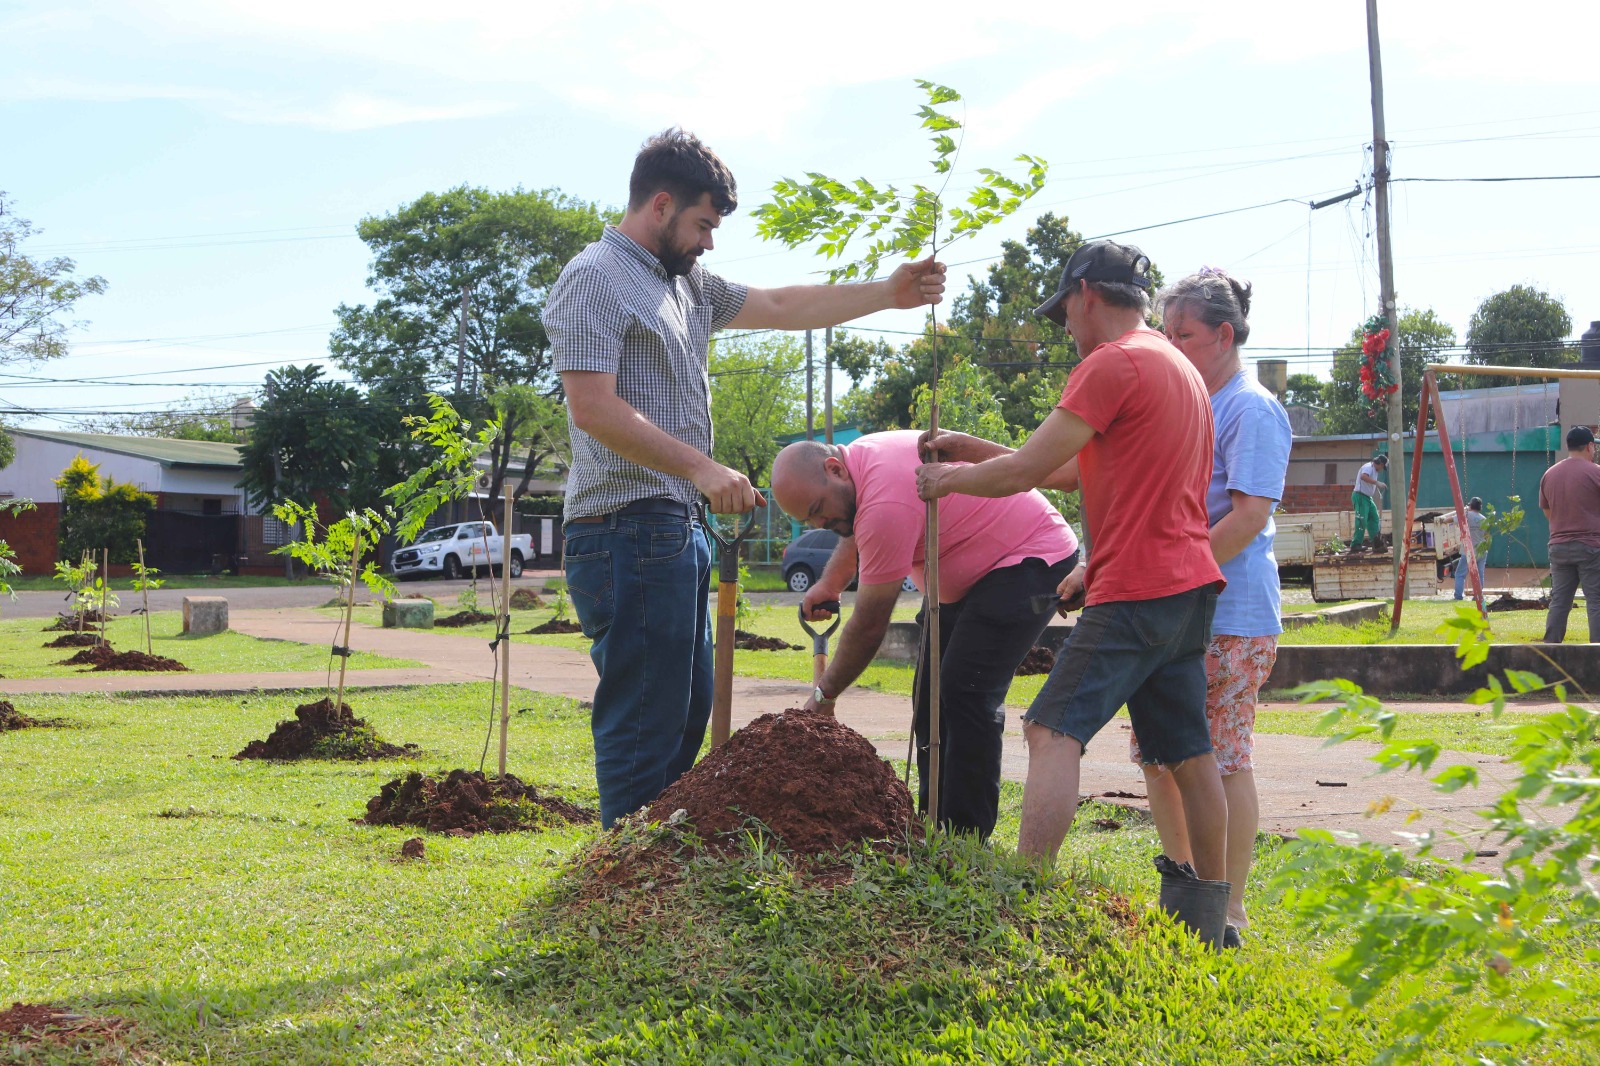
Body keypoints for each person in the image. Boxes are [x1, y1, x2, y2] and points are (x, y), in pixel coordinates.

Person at [544, 128, 947, 826]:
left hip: (672, 527)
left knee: (684, 713)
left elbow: (784, 308)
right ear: (661, 205)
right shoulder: (595, 277)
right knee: (645, 720)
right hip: (624, 528)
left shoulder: (686, 284)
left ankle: (655, 881)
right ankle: (621, 894)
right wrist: (702, 468)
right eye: (702, 224)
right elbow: (593, 408)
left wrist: (887, 294)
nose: (708, 242)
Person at [914, 239, 1229, 887]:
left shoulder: (1111, 365)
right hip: (1189, 590)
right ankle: (1219, 913)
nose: (1065, 326)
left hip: (1134, 588)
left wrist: (943, 485)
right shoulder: (1177, 368)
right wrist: (972, 452)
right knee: (1192, 757)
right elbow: (1064, 470)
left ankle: (1027, 894)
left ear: (1087, 295)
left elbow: (1028, 469)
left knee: (1050, 730)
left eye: (1064, 312)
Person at [769, 432, 1080, 840]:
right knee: (931, 697)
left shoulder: (885, 501)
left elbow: (870, 622)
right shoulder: (858, 468)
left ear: (834, 469)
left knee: (965, 689)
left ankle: (964, 840)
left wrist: (824, 695)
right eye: (810, 522)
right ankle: (935, 824)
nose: (821, 524)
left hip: (1029, 556)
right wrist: (832, 583)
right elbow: (851, 523)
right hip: (969, 573)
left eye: (818, 510)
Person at [1122, 268, 1290, 947]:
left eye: (1183, 334)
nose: (1171, 345)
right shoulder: (1188, 403)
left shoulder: (1251, 409)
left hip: (1230, 611)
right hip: (1175, 607)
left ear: (1224, 335)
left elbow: (1249, 514)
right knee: (1159, 755)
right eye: (1164, 333)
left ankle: (1227, 907)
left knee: (1220, 758)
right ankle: (1186, 893)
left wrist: (1176, 573)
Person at [1539, 426, 1600, 644]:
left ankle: (1551, 650)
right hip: (1591, 546)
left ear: (1568, 446)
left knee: (1560, 601)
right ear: (1590, 446)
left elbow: (1547, 510)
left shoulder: (1550, 474)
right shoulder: (1595, 472)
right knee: (1596, 601)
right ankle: (1597, 654)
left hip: (1558, 546)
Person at [1349, 453, 1388, 553]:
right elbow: (1363, 477)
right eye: (1382, 467)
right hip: (1360, 496)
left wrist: (1375, 486)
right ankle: (1356, 544)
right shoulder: (1368, 467)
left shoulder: (1374, 469)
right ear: (1381, 464)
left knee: (1374, 517)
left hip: (1367, 498)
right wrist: (1376, 483)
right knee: (1362, 520)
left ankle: (1376, 542)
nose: (1381, 470)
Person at [1454, 496, 1488, 601]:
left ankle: (1458, 596)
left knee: (1460, 574)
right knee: (1479, 574)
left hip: (1468, 550)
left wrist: (1441, 520)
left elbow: (1452, 519)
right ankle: (1478, 596)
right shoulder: (1484, 519)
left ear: (1470, 506)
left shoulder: (1466, 515)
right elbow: (1487, 535)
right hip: (1481, 550)